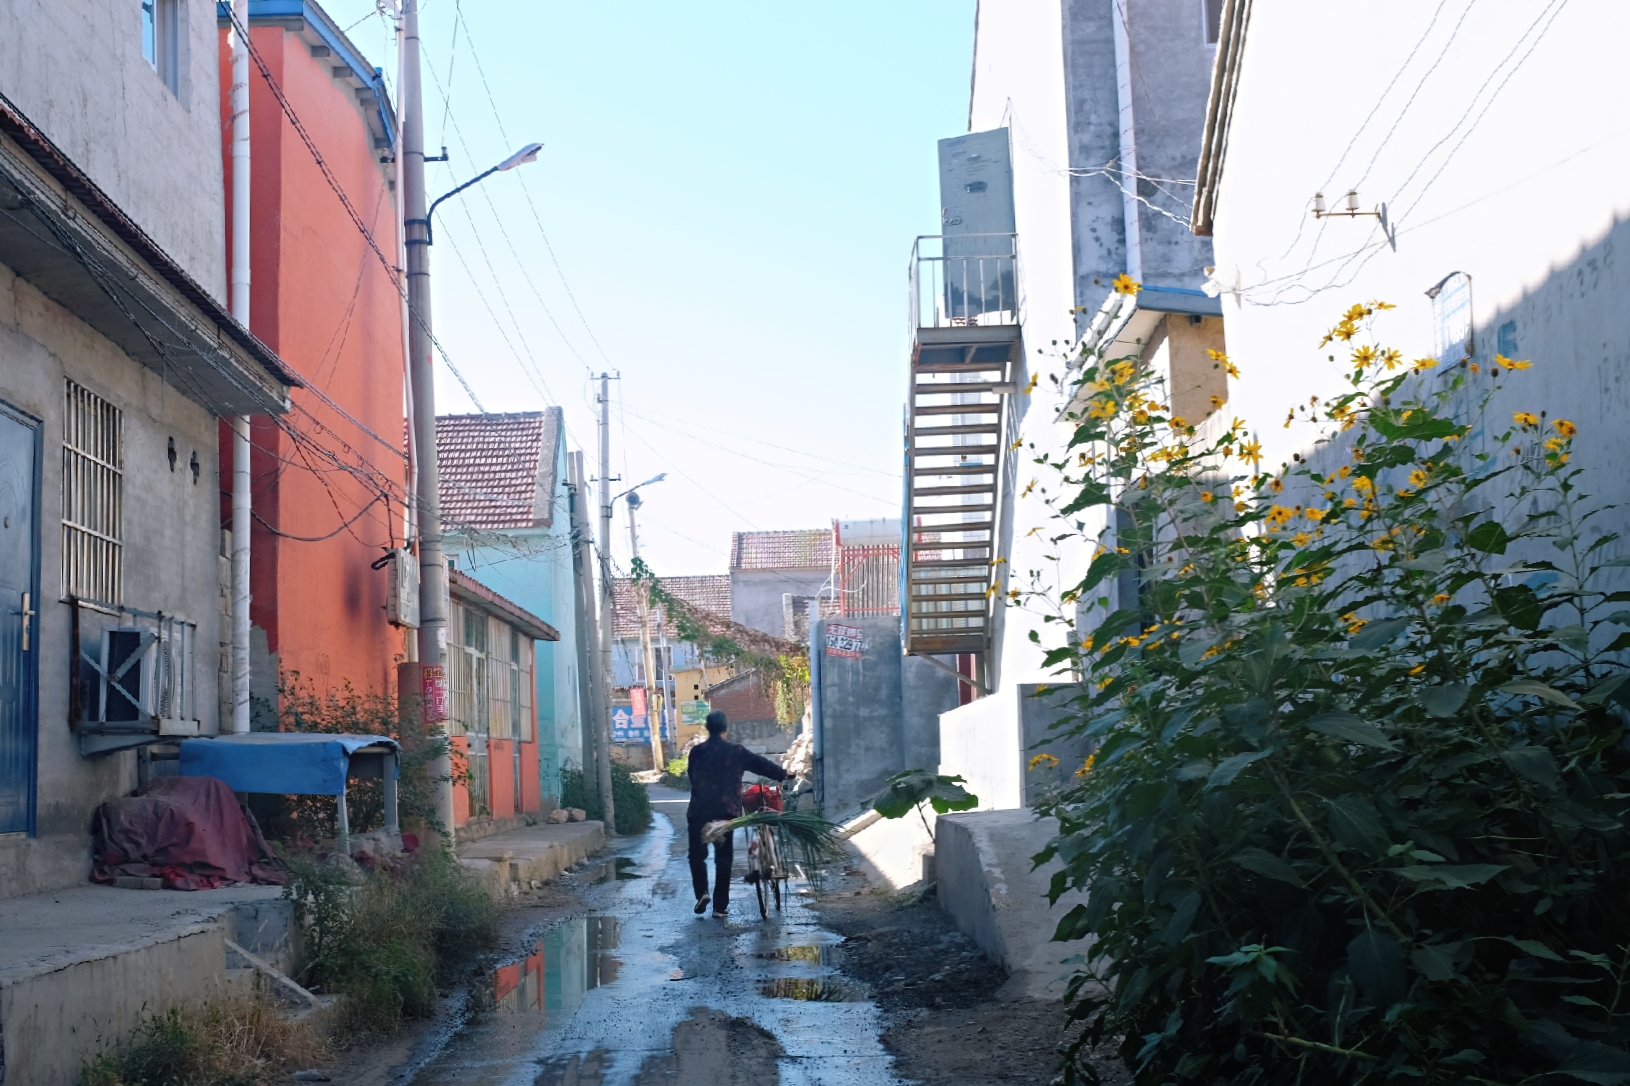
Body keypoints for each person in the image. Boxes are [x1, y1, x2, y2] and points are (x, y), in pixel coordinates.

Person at [685, 710, 788, 918]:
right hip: (725, 811)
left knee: (698, 856)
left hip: (698, 811)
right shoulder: (735, 752)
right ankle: (720, 907)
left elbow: (691, 776)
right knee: (723, 859)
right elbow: (761, 765)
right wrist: (784, 774)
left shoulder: (696, 752)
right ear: (725, 730)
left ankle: (702, 893)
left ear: (708, 728)